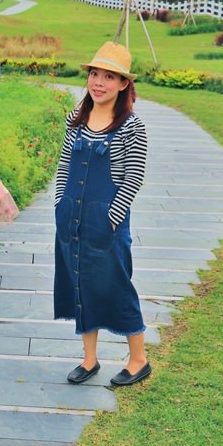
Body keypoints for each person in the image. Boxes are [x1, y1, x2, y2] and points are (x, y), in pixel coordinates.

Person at [54, 41, 150, 387]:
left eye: (109, 77)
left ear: (123, 84)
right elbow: (65, 165)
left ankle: (138, 359)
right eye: (95, 74)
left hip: (106, 222)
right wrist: (59, 207)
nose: (99, 82)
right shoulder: (76, 119)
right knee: (80, 282)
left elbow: (133, 177)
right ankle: (89, 359)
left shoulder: (131, 127)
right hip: (71, 217)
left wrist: (111, 218)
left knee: (117, 286)